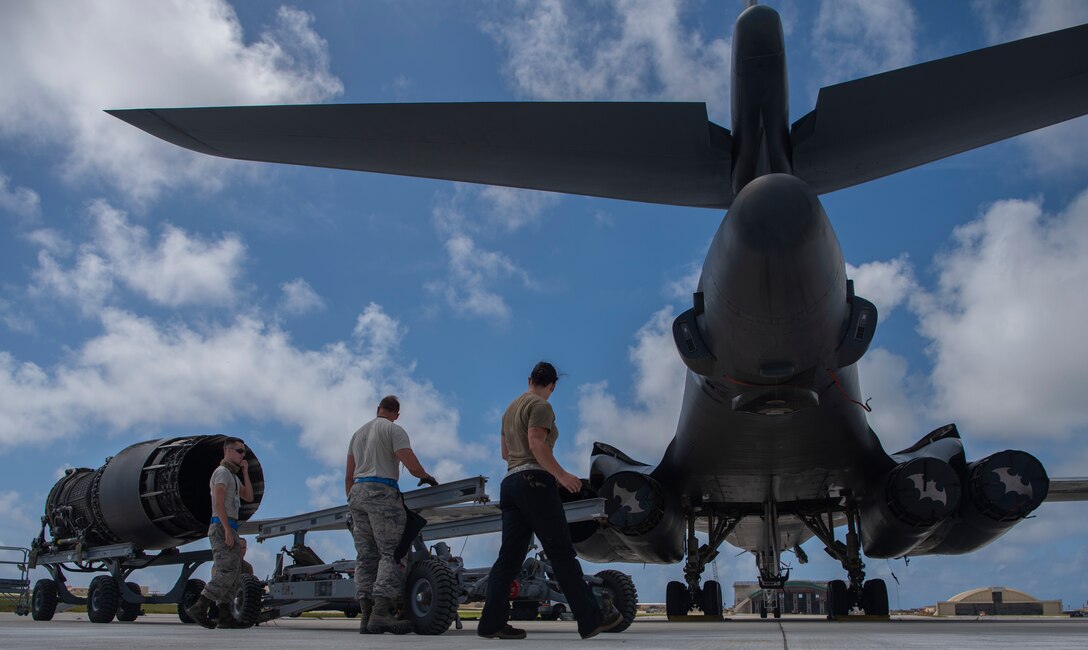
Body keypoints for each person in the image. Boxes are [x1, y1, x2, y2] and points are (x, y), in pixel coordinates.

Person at [477, 362, 622, 640]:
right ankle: (591, 619)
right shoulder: (541, 406)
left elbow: (506, 453)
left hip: (510, 483)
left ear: (529, 379)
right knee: (561, 553)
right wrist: (560, 474)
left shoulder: (509, 410)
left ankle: (491, 623)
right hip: (534, 482)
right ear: (553, 386)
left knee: (508, 560)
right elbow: (536, 443)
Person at [345, 394, 438, 634]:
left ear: (378, 409)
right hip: (382, 493)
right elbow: (411, 463)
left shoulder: (358, 434)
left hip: (357, 493)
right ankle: (381, 613)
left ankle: (365, 616)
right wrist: (425, 477)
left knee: (365, 557)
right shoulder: (394, 430)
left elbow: (348, 474)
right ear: (397, 414)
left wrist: (352, 500)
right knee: (392, 553)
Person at [187, 436, 254, 630]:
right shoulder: (222, 473)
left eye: (244, 452)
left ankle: (225, 615)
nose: (243, 454)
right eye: (240, 451)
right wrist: (226, 528)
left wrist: (245, 471)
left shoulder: (232, 475)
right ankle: (200, 606)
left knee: (234, 571)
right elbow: (218, 502)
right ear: (228, 451)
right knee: (225, 570)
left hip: (230, 525)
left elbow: (248, 496)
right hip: (221, 525)